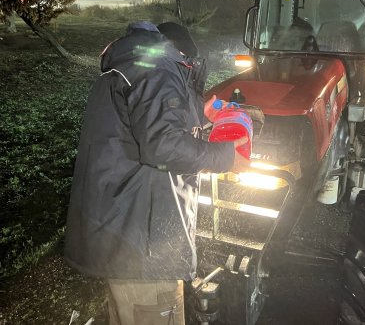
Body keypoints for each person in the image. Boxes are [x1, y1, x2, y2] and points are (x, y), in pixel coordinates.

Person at [64, 21, 249, 325]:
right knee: (154, 311)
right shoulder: (159, 69)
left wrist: (196, 113)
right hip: (143, 246)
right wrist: (226, 157)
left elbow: (147, 124)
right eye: (186, 65)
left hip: (122, 233)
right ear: (181, 55)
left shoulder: (135, 66)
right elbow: (164, 146)